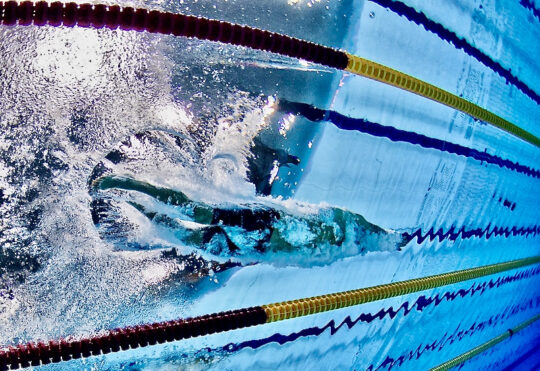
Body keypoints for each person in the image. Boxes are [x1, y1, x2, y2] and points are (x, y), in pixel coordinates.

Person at [90, 175, 408, 265]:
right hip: (267, 222)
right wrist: (390, 237)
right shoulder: (348, 225)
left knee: (189, 238)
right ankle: (130, 182)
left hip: (255, 249)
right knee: (198, 212)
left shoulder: (349, 251)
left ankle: (135, 206)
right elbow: (360, 224)